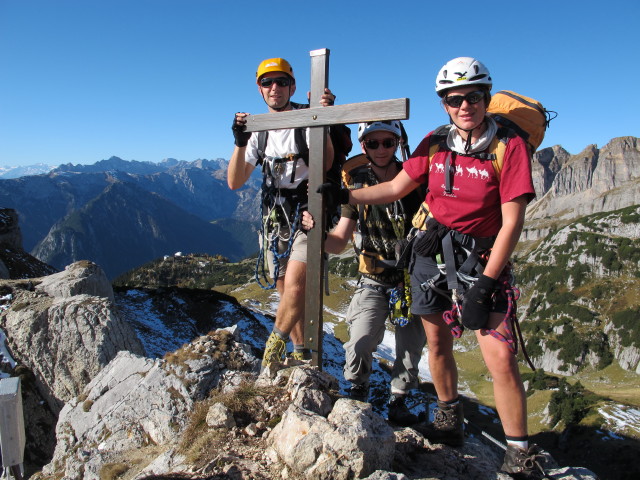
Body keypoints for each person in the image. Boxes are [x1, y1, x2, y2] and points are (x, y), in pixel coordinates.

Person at [318, 57, 546, 479]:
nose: (464, 106)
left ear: (486, 97)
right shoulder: (435, 142)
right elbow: (394, 187)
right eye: (454, 99)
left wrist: (485, 286)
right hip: (429, 255)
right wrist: (345, 195)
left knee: (500, 357)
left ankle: (519, 454)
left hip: (482, 259)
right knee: (437, 345)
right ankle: (449, 422)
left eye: (473, 97)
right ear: (443, 103)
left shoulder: (508, 147)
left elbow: (512, 222)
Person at [301, 120, 426, 426]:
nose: (381, 149)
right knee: (360, 339)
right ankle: (359, 391)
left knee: (410, 347)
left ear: (397, 143)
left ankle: (399, 400)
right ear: (363, 146)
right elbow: (340, 239)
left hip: (411, 278)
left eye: (388, 142)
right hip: (373, 278)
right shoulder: (356, 184)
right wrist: (314, 233)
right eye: (373, 143)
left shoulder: (415, 181)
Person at [228, 57, 336, 369]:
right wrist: (239, 141)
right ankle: (300, 348)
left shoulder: (307, 117)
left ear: (293, 86)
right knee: (282, 286)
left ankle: (275, 341)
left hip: (307, 211)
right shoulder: (258, 130)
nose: (274, 88)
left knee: (296, 284)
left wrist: (323, 121)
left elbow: (326, 163)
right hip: (275, 217)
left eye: (281, 82)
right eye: (267, 82)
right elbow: (235, 181)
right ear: (259, 88)